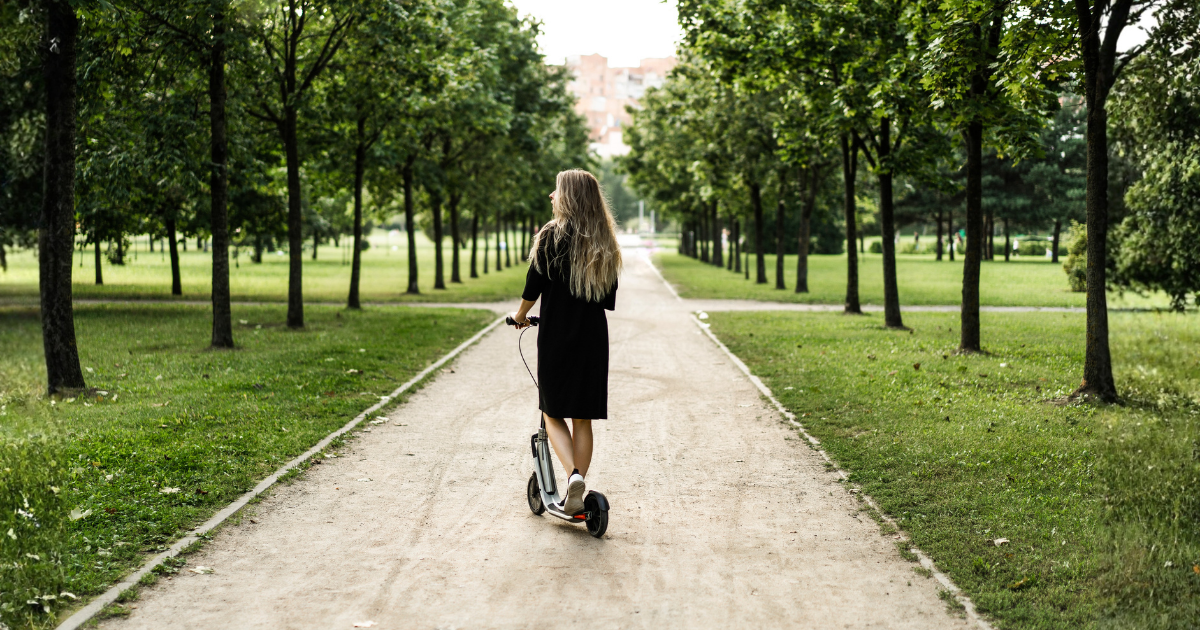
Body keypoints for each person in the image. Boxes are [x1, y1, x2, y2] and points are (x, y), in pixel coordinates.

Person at [511, 169, 621, 516]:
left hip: (557, 336)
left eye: (556, 191)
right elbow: (606, 299)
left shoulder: (550, 236)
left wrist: (519, 316)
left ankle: (572, 476)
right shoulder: (604, 242)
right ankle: (578, 486)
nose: (551, 196)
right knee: (582, 418)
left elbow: (533, 287)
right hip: (592, 338)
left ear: (569, 197)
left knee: (552, 410)